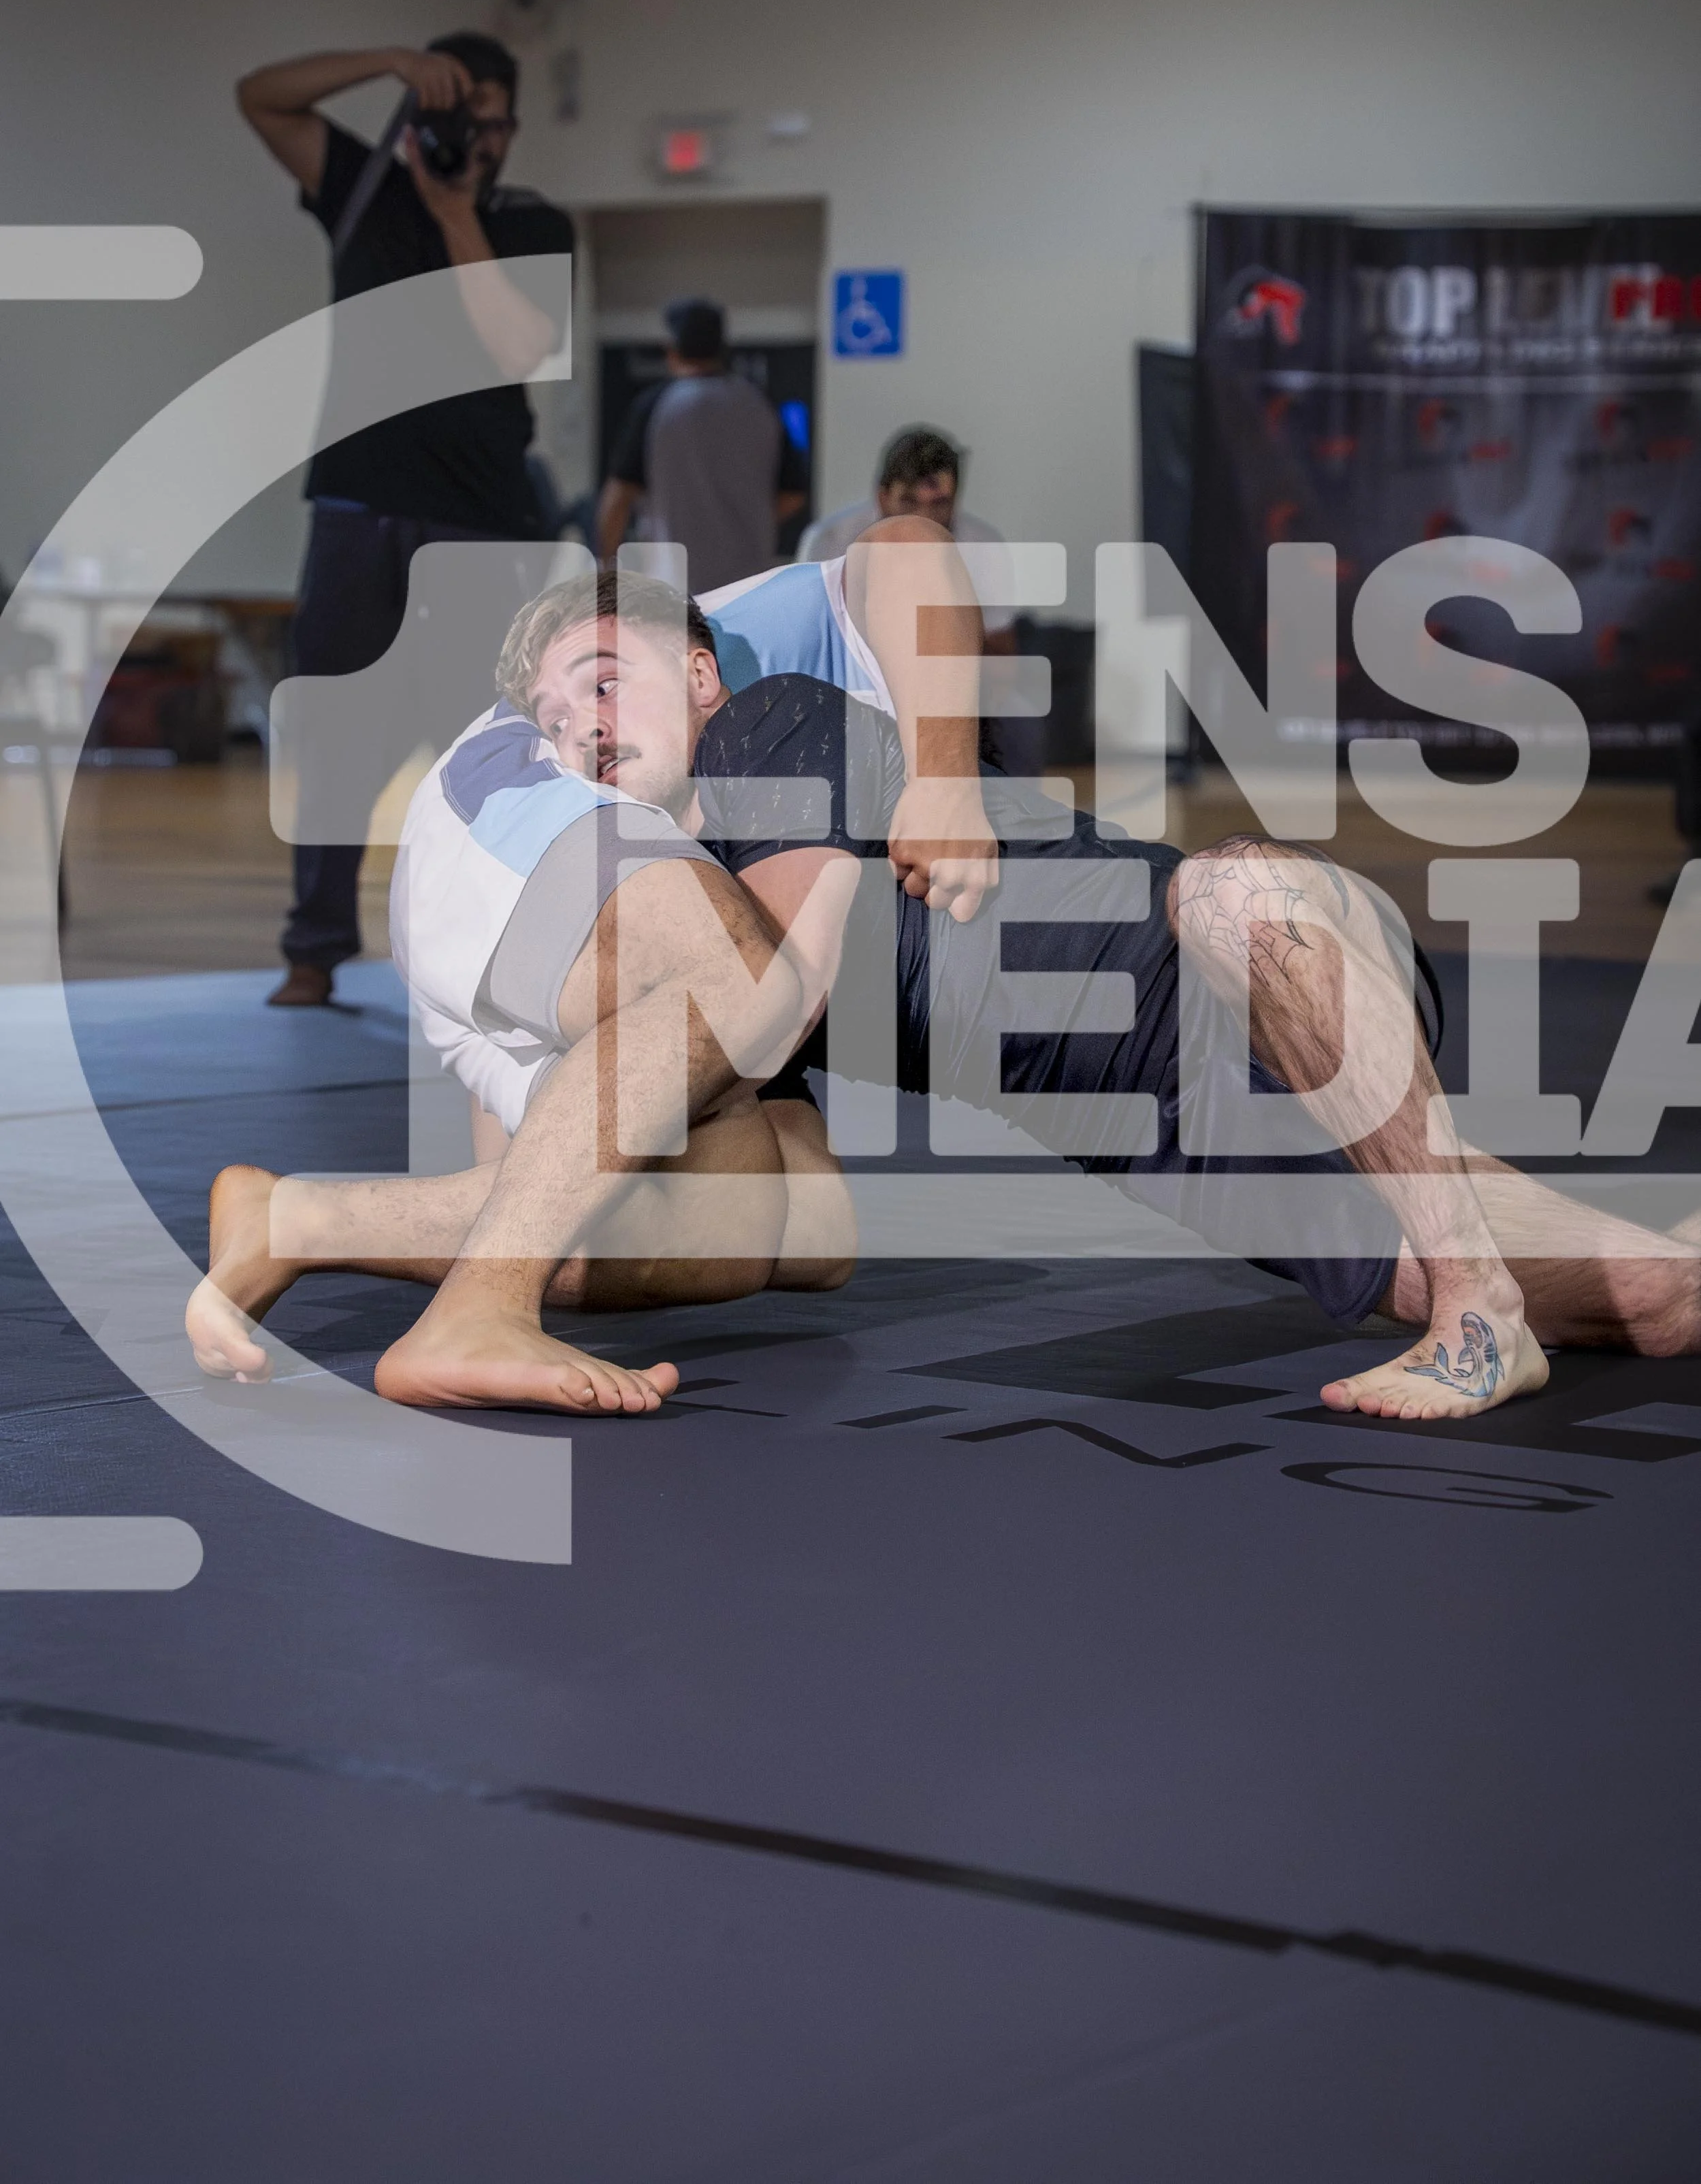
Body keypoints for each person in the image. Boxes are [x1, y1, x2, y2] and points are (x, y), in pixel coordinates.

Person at [189, 553, 1701, 1418]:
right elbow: (761, 1207)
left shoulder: (769, 723)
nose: (575, 727)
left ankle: (1478, 1317)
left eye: (601, 680)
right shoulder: (697, 882)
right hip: (1172, 1132)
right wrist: (372, 1227)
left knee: (1233, 890)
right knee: (1647, 1297)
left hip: (1250, 966)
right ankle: (1533, 1286)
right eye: (549, 713)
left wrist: (507, 1232)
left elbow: (771, 999)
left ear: (696, 672)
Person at [237, 33, 575, 1008]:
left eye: (493, 121)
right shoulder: (366, 188)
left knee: (477, 742)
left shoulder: (529, 221)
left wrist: (455, 212)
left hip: (476, 521)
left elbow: (519, 348)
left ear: (512, 128)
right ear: (420, 116)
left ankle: (482, 951)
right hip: (356, 505)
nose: (478, 137)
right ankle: (313, 948)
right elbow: (261, 94)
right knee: (332, 735)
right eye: (459, 115)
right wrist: (387, 61)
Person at [800, 425, 1040, 775]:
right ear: (883, 496)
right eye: (910, 502)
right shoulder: (831, 542)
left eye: (939, 504)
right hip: (855, 683)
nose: (924, 518)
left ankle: (1008, 807)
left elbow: (1001, 657)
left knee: (1020, 722)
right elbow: (812, 647)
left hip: (955, 684)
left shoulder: (984, 546)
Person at [596, 298, 808, 593]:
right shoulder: (759, 405)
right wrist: (745, 520)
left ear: (671, 349)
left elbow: (618, 497)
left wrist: (607, 567)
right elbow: (793, 494)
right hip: (748, 583)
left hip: (672, 584)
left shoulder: (657, 406)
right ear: (723, 348)